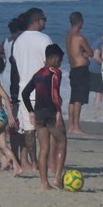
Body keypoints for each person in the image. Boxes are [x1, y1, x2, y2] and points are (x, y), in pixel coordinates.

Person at [23, 43, 67, 190]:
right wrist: (59, 112)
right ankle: (58, 179)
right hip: (51, 112)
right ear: (54, 59)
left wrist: (30, 111)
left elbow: (25, 93)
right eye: (60, 61)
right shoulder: (55, 72)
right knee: (62, 142)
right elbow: (55, 95)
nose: (60, 64)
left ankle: (43, 183)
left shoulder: (38, 74)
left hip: (39, 113)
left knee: (44, 149)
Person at [65, 11, 93, 136]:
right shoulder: (79, 37)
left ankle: (71, 126)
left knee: (73, 98)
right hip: (81, 69)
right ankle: (76, 126)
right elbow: (91, 52)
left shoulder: (68, 37)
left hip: (73, 69)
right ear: (80, 22)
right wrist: (85, 54)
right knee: (78, 99)